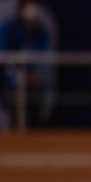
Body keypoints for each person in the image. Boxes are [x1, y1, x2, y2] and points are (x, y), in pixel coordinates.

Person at [0, 0, 51, 128]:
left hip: (33, 84)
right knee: (14, 115)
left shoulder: (41, 32)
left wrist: (35, 75)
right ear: (21, 8)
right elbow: (3, 56)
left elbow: (42, 59)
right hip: (9, 81)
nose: (31, 9)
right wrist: (16, 75)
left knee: (35, 115)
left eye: (34, 5)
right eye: (28, 5)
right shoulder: (8, 28)